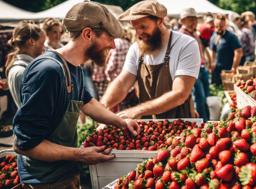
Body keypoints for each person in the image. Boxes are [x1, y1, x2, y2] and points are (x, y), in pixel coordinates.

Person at [12, 2, 139, 187]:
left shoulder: (74, 68)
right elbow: (25, 144)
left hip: (65, 171)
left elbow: (87, 102)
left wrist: (120, 121)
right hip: (45, 180)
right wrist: (80, 154)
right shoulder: (48, 71)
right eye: (109, 38)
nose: (113, 45)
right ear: (88, 34)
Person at [100, 0, 201, 119]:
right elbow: (123, 82)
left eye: (143, 26)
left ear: (160, 21)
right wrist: (102, 107)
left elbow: (180, 93)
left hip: (180, 122)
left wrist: (137, 110)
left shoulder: (186, 44)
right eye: (135, 28)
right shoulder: (136, 48)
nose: (138, 33)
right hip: (149, 123)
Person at [179, 8, 210, 121]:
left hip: (202, 68)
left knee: (205, 97)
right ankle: (202, 123)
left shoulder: (195, 34)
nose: (194, 22)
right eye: (190, 19)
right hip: (192, 71)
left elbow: (201, 51)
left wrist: (206, 62)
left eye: (195, 19)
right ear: (183, 21)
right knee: (199, 98)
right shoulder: (181, 36)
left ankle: (206, 121)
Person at [6, 21, 45, 108]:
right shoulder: (22, 71)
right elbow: (34, 108)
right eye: (42, 43)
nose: (44, 48)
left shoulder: (25, 67)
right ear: (31, 41)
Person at [210, 14, 243, 86]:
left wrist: (234, 68)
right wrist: (212, 63)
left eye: (221, 26)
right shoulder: (214, 35)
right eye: (216, 26)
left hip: (228, 70)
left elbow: (239, 52)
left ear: (226, 25)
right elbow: (213, 51)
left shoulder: (232, 36)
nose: (218, 28)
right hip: (217, 70)